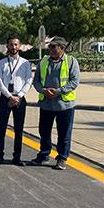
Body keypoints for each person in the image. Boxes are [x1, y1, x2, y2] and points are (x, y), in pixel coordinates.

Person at [31, 36, 80, 170]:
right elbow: (36, 81)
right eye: (49, 47)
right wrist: (43, 90)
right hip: (46, 103)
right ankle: (44, 154)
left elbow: (74, 81)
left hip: (64, 105)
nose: (50, 49)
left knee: (64, 133)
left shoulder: (71, 61)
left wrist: (58, 91)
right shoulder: (44, 61)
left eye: (53, 47)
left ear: (62, 48)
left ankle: (62, 158)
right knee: (44, 131)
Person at [0, 37, 33, 166]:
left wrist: (19, 95)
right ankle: (0, 156)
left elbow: (28, 81)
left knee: (19, 129)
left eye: (16, 44)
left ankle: (17, 157)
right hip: (6, 98)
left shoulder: (25, 63)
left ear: (19, 46)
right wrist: (9, 96)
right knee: (1, 128)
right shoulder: (1, 63)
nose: (14, 47)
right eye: (11, 45)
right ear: (7, 46)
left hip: (20, 99)